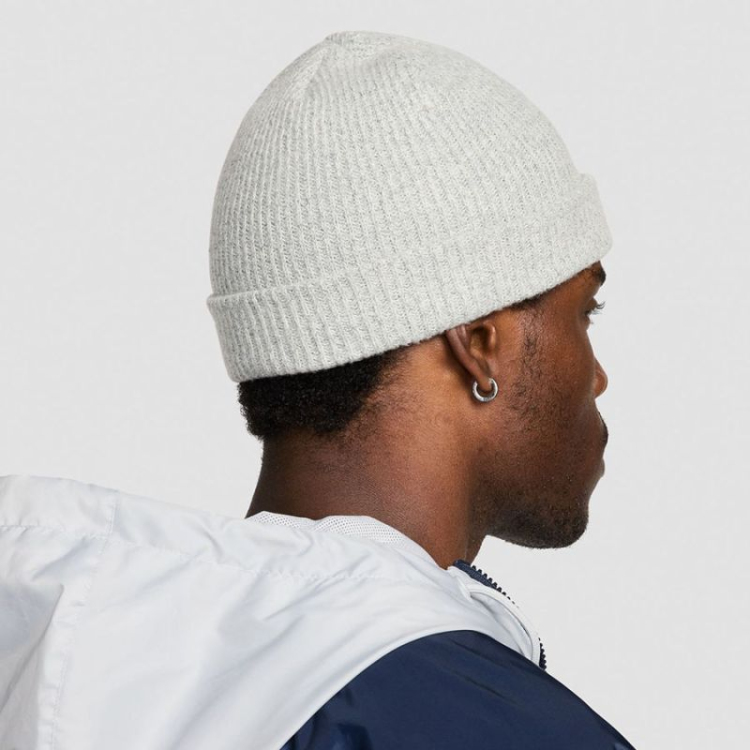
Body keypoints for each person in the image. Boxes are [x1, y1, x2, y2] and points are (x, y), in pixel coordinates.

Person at [0, 30, 636, 750]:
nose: (597, 375)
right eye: (584, 312)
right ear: (479, 343)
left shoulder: (57, 651)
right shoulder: (486, 723)